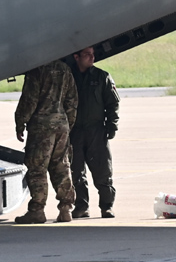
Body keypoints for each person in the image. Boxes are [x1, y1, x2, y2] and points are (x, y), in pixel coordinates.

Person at [14, 60, 78, 224]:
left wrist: (20, 122)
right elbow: (72, 100)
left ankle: (37, 210)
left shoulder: (37, 70)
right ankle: (65, 209)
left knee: (37, 168)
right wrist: (67, 124)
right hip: (61, 124)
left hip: (41, 127)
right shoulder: (65, 69)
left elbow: (30, 99)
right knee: (61, 166)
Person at [68, 47, 120, 219]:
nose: (92, 57)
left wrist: (111, 125)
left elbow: (112, 103)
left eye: (93, 54)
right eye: (87, 54)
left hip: (96, 130)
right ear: (77, 57)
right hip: (74, 131)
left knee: (102, 170)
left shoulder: (101, 77)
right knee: (76, 171)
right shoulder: (68, 77)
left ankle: (107, 206)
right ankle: (81, 206)